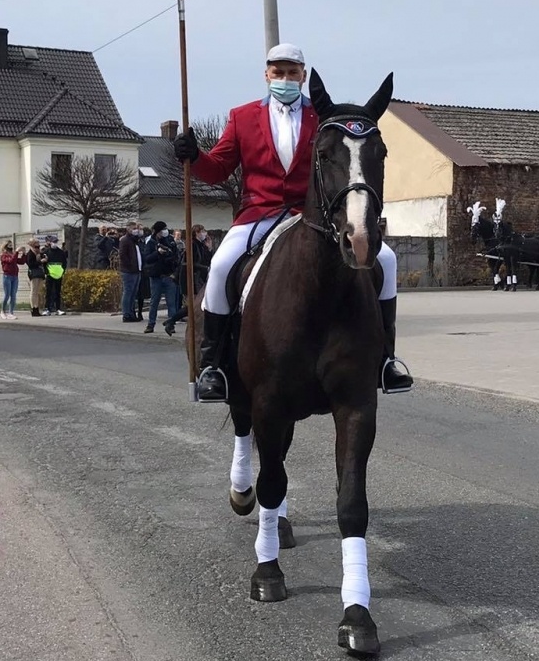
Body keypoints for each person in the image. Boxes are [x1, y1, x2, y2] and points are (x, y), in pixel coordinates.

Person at [173, 42, 412, 401]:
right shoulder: (242, 117)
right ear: (266, 74)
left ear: (303, 75)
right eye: (278, 72)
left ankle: (385, 359)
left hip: (311, 215)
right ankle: (212, 365)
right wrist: (193, 157)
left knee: (388, 261)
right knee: (222, 266)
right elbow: (219, 169)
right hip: (260, 213)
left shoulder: (323, 117)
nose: (284, 78)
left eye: (292, 72)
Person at [142, 221, 182, 336]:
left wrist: (170, 261)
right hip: (156, 277)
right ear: (158, 231)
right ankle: (151, 324)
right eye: (163, 229)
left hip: (168, 275)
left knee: (171, 303)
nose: (165, 231)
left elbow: (176, 256)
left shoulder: (169, 240)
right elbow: (147, 258)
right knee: (154, 302)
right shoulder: (151, 242)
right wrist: (158, 253)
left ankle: (171, 324)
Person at [117, 224, 144, 323]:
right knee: (128, 292)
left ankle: (132, 313)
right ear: (128, 229)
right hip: (129, 271)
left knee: (133, 293)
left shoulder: (134, 240)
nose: (136, 230)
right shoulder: (125, 240)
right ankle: (126, 314)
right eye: (134, 229)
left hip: (137, 270)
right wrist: (129, 266)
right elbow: (123, 255)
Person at [22, 238, 46, 317]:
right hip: (34, 274)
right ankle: (34, 308)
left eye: (38, 246)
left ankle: (37, 308)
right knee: (33, 291)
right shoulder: (30, 254)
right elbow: (30, 264)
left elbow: (44, 260)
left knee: (38, 292)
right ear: (32, 246)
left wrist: (44, 258)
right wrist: (39, 261)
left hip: (40, 274)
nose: (37, 248)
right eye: (36, 246)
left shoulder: (39, 253)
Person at [44, 234, 67, 315]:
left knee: (57, 292)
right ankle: (47, 309)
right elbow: (44, 263)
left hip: (58, 275)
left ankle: (58, 309)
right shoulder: (46, 252)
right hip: (50, 275)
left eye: (56, 242)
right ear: (50, 242)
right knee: (48, 292)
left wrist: (62, 272)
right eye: (53, 242)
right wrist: (46, 272)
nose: (55, 243)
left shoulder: (61, 252)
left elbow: (64, 263)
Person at [0, 239, 21, 317]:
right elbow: (11, 261)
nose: (11, 247)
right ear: (5, 246)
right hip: (7, 276)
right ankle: (3, 311)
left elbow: (20, 261)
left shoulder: (12, 254)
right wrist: (16, 252)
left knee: (13, 295)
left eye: (12, 245)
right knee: (7, 295)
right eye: (9, 245)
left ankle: (11, 312)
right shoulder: (3, 255)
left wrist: (24, 254)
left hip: (15, 276)